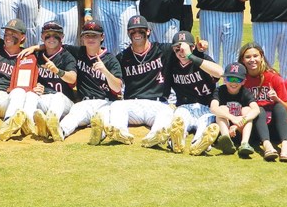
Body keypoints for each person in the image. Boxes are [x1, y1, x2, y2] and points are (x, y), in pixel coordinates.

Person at [42, 20, 123, 145]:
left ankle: (99, 134)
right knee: (74, 115)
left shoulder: (111, 59)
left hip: (105, 102)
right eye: (87, 35)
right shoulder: (78, 52)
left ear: (102, 37)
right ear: (82, 38)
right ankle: (60, 132)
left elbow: (117, 88)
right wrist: (35, 47)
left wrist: (105, 71)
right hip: (84, 102)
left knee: (105, 118)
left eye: (94, 35)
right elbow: (53, 45)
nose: (90, 39)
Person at [0, 21, 78, 141]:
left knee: (58, 97)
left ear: (62, 37)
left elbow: (73, 78)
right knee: (30, 94)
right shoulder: (37, 55)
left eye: (56, 35)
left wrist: (57, 71)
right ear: (42, 37)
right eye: (47, 35)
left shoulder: (67, 56)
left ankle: (51, 123)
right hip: (44, 98)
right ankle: (28, 124)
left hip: (64, 101)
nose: (51, 38)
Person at [107, 17, 177, 147]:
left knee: (167, 112)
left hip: (157, 104)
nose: (137, 34)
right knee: (117, 106)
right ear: (128, 33)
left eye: (141, 30)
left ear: (148, 31)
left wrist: (198, 49)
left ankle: (155, 136)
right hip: (133, 104)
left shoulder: (163, 50)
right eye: (133, 31)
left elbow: (182, 49)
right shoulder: (122, 57)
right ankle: (120, 132)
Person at [164, 31, 226, 155]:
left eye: (185, 48)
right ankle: (176, 141)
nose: (181, 52)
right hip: (184, 106)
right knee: (180, 119)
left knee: (205, 123)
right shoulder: (172, 63)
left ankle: (200, 142)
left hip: (206, 107)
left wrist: (191, 56)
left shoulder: (201, 60)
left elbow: (220, 72)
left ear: (192, 47)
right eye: (177, 49)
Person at [238, 41, 287, 163]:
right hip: (254, 127)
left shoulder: (274, 78)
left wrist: (277, 99)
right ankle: (267, 146)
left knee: (279, 107)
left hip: (276, 127)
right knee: (259, 109)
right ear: (242, 60)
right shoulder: (241, 80)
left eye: (255, 56)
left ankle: (285, 146)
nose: (252, 60)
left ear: (262, 57)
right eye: (248, 57)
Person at [210, 62, 260, 159]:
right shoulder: (220, 90)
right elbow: (213, 108)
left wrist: (238, 124)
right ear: (224, 80)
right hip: (225, 126)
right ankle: (226, 140)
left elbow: (256, 110)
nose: (233, 83)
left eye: (238, 79)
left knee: (247, 110)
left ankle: (244, 143)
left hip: (241, 129)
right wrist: (232, 118)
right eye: (230, 79)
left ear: (243, 81)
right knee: (222, 109)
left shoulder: (245, 92)